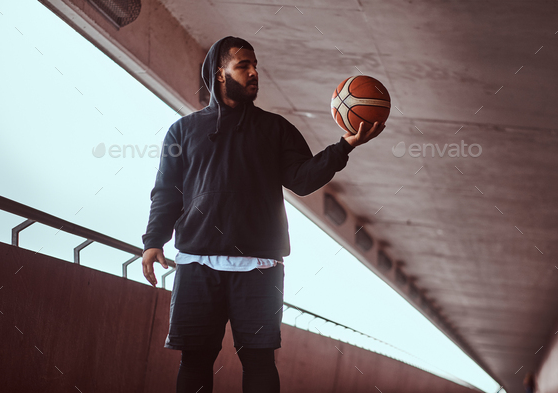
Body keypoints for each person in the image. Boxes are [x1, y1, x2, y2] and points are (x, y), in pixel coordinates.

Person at [141, 36, 384, 393]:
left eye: (255, 65)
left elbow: (301, 180)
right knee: (194, 360)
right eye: (243, 66)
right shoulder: (184, 130)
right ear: (220, 73)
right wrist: (153, 241)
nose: (254, 72)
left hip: (259, 267)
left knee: (259, 361)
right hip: (195, 264)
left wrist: (343, 147)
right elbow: (167, 191)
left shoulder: (276, 129)